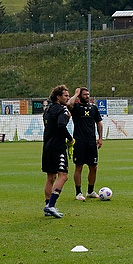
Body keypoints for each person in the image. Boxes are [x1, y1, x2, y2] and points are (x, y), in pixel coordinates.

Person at [42, 85, 74, 218]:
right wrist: (70, 138)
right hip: (57, 147)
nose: (67, 98)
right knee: (63, 175)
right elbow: (61, 125)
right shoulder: (62, 109)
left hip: (47, 146)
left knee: (51, 177)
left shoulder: (47, 109)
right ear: (58, 97)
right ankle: (51, 205)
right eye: (66, 96)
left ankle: (47, 206)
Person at [67, 87, 103, 201]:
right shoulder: (76, 107)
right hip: (79, 141)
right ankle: (78, 193)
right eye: (84, 94)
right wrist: (75, 94)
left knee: (94, 167)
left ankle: (90, 191)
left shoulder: (93, 108)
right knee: (79, 166)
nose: (87, 96)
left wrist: (100, 138)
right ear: (79, 96)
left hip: (91, 142)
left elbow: (99, 123)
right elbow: (68, 104)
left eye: (88, 94)